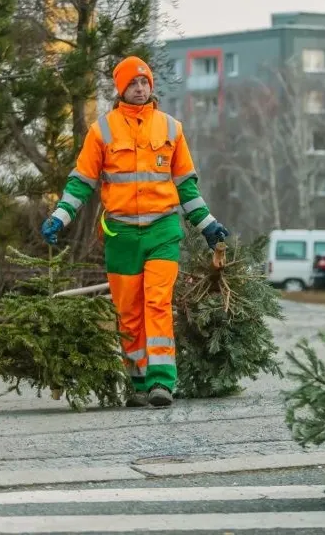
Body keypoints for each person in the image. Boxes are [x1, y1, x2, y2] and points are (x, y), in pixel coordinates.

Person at [40, 56, 229, 408]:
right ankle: (138, 382)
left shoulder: (172, 129)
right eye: (133, 84)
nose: (140, 88)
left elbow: (186, 186)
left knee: (157, 302)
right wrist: (60, 217)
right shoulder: (103, 131)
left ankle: (162, 382)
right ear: (121, 89)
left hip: (162, 230)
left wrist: (208, 226)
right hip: (121, 236)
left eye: (145, 82)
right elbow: (81, 183)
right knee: (129, 311)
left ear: (152, 85)